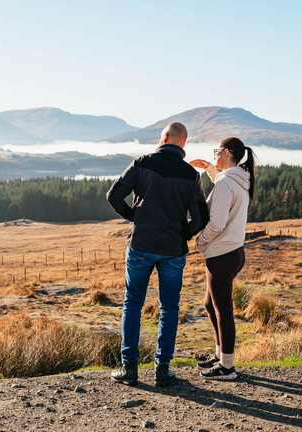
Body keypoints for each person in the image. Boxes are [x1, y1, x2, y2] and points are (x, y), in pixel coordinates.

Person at [106, 122, 209, 387]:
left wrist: (135, 217)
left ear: (164, 137)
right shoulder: (190, 174)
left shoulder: (142, 162)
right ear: (183, 144)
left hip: (140, 243)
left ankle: (129, 369)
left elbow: (114, 196)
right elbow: (201, 216)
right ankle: (162, 370)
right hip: (172, 250)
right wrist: (183, 232)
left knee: (133, 304)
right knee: (169, 308)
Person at [189, 137, 255, 380]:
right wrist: (210, 169)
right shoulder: (239, 179)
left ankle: (227, 367)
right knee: (211, 305)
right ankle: (220, 356)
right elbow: (223, 181)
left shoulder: (227, 182)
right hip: (235, 252)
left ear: (226, 152)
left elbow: (216, 223)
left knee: (223, 310)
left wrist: (200, 241)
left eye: (217, 151)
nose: (215, 154)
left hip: (221, 254)